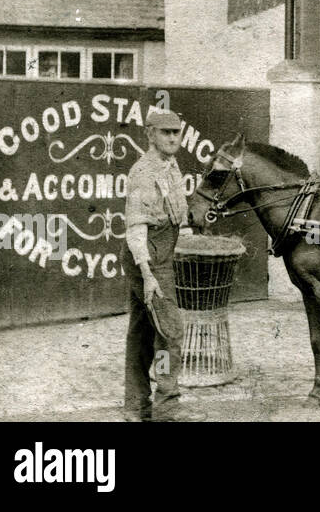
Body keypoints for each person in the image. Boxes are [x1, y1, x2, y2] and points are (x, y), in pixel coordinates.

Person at [123, 108, 203, 421]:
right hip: (147, 258)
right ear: (150, 134)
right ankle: (167, 407)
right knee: (170, 333)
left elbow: (175, 214)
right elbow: (135, 228)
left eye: (175, 132)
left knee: (142, 333)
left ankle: (136, 407)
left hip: (160, 254)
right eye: (164, 132)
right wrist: (147, 275)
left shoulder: (170, 164)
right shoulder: (144, 172)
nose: (172, 138)